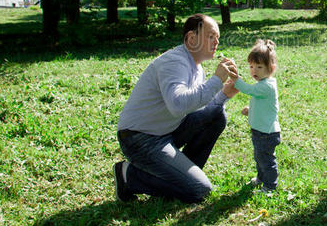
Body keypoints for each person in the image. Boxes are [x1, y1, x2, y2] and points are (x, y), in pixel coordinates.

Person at [113, 13, 239, 203]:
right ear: (191, 38)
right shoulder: (174, 62)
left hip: (166, 131)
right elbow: (178, 104)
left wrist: (225, 93)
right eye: (211, 36)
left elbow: (195, 105)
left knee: (216, 114)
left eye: (218, 38)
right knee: (200, 190)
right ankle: (128, 176)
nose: (216, 43)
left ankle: (181, 177)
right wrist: (216, 80)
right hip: (139, 138)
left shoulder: (197, 67)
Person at [234, 39, 280, 193]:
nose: (254, 71)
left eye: (259, 67)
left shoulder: (266, 86)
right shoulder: (262, 84)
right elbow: (261, 102)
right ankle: (261, 178)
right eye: (252, 66)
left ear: (271, 68)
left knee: (266, 160)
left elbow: (249, 90)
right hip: (260, 131)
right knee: (259, 157)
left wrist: (235, 80)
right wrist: (250, 109)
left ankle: (270, 186)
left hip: (266, 133)